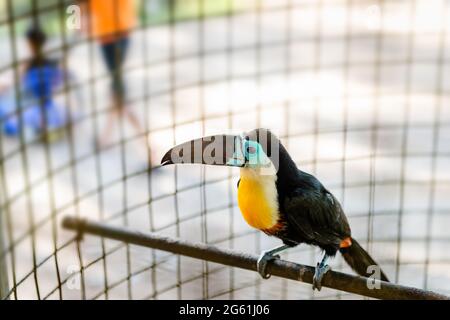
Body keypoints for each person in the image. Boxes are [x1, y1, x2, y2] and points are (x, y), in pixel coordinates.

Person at [80, 0, 145, 149]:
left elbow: (79, 9)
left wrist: (79, 24)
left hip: (109, 35)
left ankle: (149, 150)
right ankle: (105, 138)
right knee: (116, 87)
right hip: (122, 30)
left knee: (120, 93)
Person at [0, 25, 69, 141]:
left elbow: (13, 81)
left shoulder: (29, 63)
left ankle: (35, 130)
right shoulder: (53, 62)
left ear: (30, 42)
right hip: (50, 109)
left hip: (31, 108)